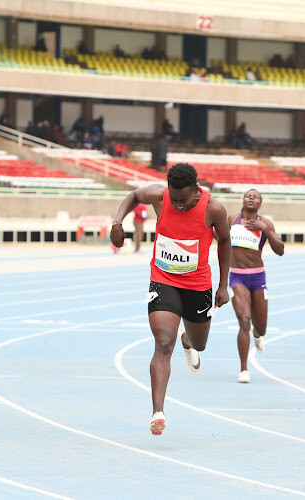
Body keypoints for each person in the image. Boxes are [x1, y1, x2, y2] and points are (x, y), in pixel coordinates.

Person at [110, 163, 231, 435]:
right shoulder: (159, 196)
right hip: (163, 278)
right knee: (163, 342)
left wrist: (223, 285)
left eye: (183, 200)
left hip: (197, 284)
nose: (177, 204)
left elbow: (224, 241)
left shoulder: (214, 209)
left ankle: (188, 340)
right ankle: (158, 412)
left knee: (200, 343)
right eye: (173, 199)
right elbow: (133, 195)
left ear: (196, 190)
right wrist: (117, 223)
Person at [228, 189, 284, 383]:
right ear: (243, 200)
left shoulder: (266, 223)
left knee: (260, 328)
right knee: (244, 320)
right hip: (237, 277)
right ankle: (244, 369)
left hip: (258, 277)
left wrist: (265, 229)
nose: (251, 198)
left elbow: (280, 250)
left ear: (260, 204)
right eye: (248, 196)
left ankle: (257, 335)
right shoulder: (232, 219)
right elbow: (220, 238)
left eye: (255, 197)